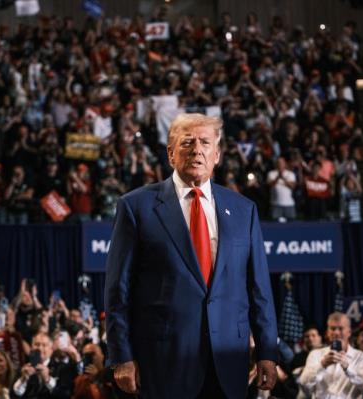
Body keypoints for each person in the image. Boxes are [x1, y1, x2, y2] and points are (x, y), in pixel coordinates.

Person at [104, 113, 278, 399]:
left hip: (228, 361)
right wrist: (121, 355)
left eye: (205, 142)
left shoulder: (244, 210)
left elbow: (259, 288)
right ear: (171, 154)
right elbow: (117, 290)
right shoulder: (136, 207)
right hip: (163, 362)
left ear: (217, 154)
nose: (197, 149)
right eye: (188, 142)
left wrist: (267, 351)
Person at [299, 312, 363, 398]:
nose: (336, 333)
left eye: (341, 328)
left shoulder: (362, 357)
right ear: (327, 332)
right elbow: (304, 383)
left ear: (349, 332)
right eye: (333, 329)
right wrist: (322, 365)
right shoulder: (315, 354)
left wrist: (348, 368)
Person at [267, 156, 297, 222]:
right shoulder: (271, 173)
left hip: (289, 204)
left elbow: (293, 186)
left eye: (281, 162)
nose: (280, 164)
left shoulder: (290, 174)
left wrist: (283, 177)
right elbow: (270, 185)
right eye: (278, 162)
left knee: (291, 224)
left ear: (285, 163)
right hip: (275, 204)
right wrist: (278, 177)